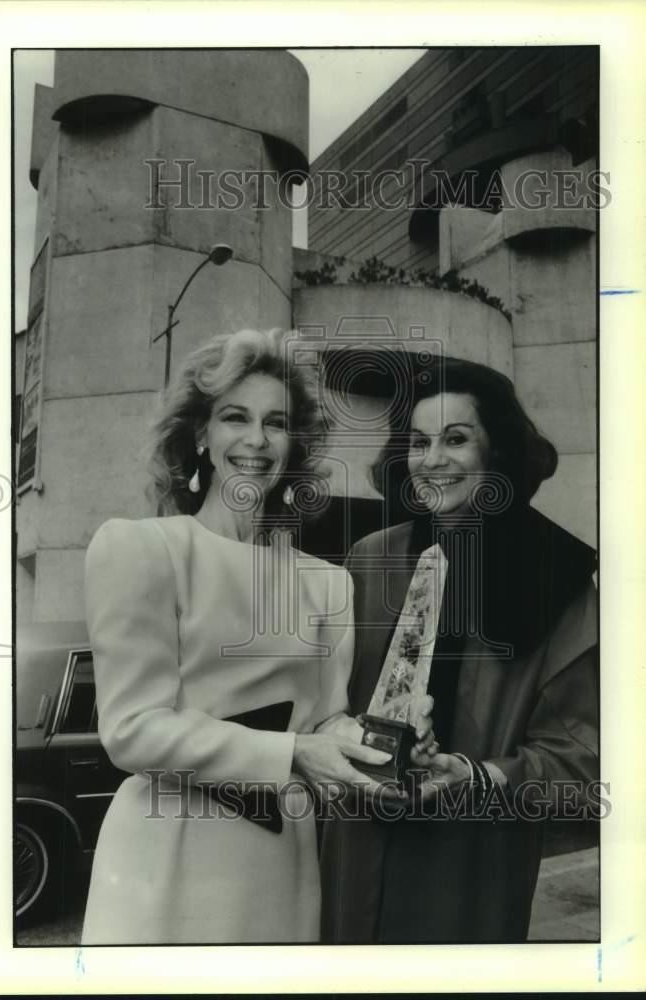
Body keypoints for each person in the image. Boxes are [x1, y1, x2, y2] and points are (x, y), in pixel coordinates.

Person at [81, 328, 432, 944]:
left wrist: (388, 740)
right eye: (234, 417)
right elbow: (132, 729)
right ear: (200, 435)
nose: (255, 440)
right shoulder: (142, 549)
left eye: (276, 422)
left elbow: (325, 721)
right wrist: (291, 755)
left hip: (282, 860)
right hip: (167, 852)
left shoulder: (326, 581)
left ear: (293, 444)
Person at [320, 356, 599, 944]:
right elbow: (327, 702)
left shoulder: (558, 576)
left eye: (456, 439)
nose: (433, 460)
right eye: (419, 442)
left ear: (495, 454)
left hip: (472, 862)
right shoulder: (372, 558)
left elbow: (579, 758)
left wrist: (476, 775)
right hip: (360, 846)